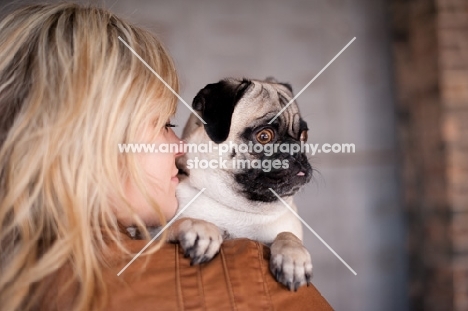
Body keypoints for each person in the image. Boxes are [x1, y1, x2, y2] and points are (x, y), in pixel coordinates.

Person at [0, 3, 333, 310]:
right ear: (90, 146)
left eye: (300, 137)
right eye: (164, 125)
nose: (182, 146)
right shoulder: (251, 279)